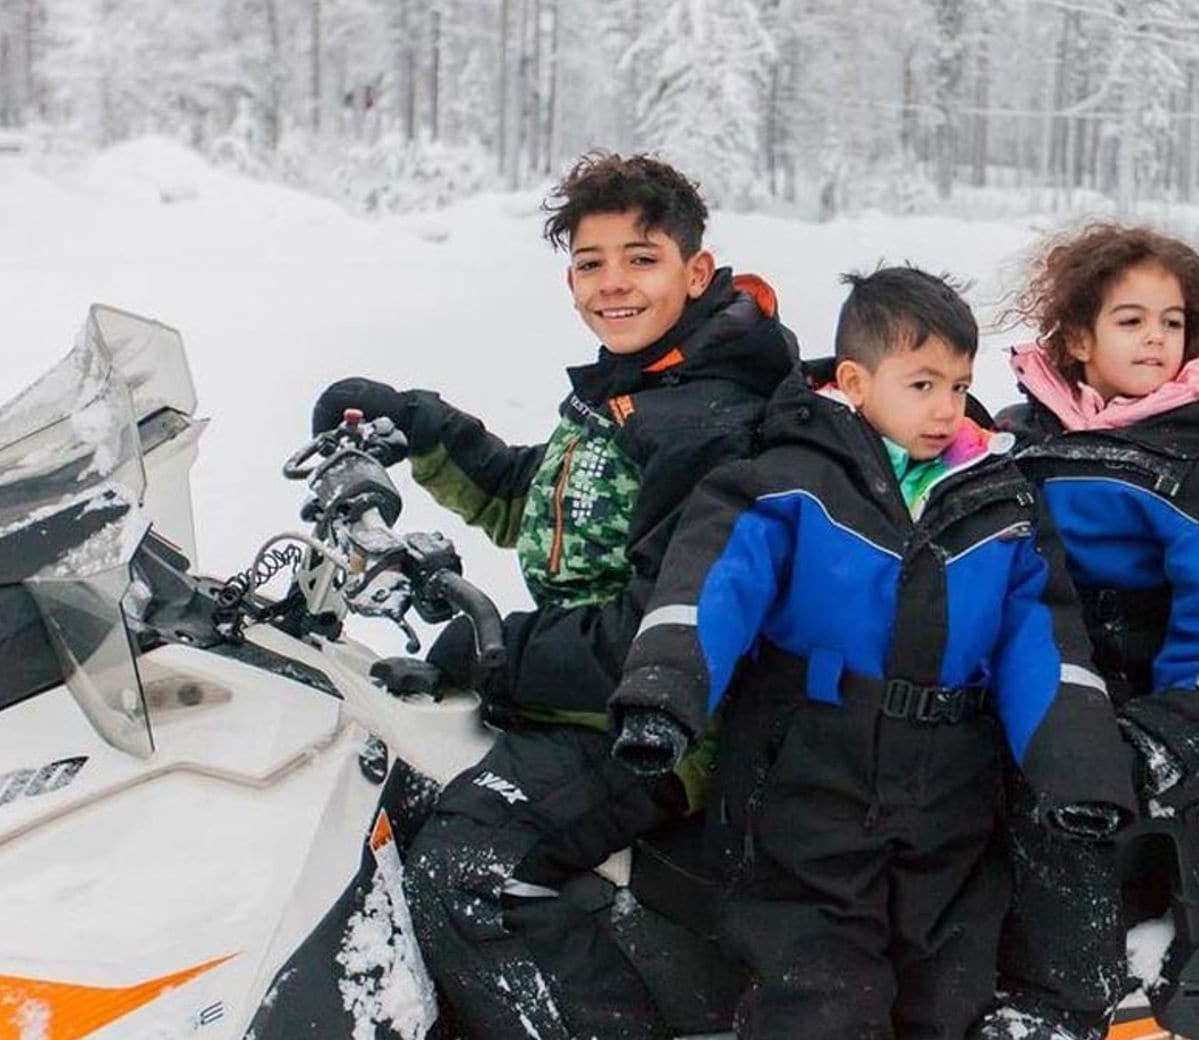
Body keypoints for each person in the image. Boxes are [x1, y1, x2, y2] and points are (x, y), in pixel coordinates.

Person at [307, 151, 798, 1037]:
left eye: (640, 260)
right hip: (580, 704)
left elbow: (655, 631)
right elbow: (546, 502)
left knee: (465, 870)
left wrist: (491, 653)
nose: (613, 284)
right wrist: (419, 424)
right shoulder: (649, 385)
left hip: (657, 731)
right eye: (590, 262)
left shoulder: (708, 422)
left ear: (695, 271)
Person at [607, 266, 1138, 1039]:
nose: (946, 409)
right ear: (855, 381)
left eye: (958, 386)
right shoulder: (784, 482)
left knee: (948, 992)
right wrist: (665, 691)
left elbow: (1043, 643)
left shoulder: (996, 500)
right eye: (921, 384)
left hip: (950, 792)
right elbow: (712, 590)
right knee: (822, 994)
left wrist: (1079, 766)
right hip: (811, 779)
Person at [975, 223, 1199, 1039]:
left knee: (1060, 780)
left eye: (1172, 321)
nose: (1156, 337)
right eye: (1130, 319)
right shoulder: (1026, 442)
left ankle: (1064, 1000)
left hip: (1165, 714)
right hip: (1039, 683)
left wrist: (1164, 733)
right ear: (1077, 338)